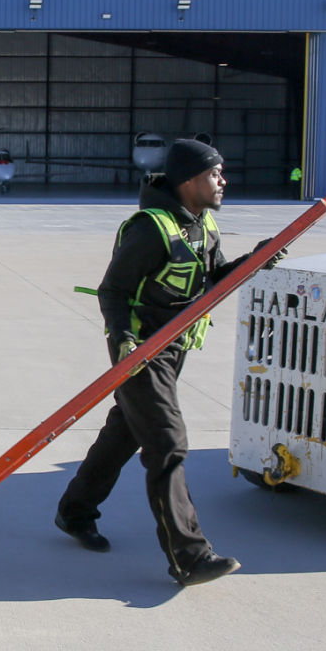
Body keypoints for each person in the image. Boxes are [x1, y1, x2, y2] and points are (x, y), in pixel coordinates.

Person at [54, 138, 276, 587]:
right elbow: (113, 291)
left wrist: (256, 258)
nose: (223, 181)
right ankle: (190, 557)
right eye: (216, 174)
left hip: (174, 349)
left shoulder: (202, 224)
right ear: (190, 179)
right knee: (167, 442)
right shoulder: (150, 229)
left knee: (124, 434)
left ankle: (73, 512)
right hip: (140, 352)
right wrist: (125, 344)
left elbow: (211, 280)